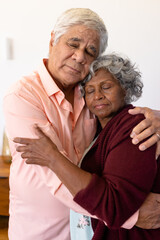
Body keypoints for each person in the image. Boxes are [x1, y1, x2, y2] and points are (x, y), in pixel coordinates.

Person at [3, 8, 160, 240]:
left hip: (89, 230)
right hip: (41, 231)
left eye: (90, 51)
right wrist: (127, 215)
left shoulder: (89, 96)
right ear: (53, 40)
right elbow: (52, 173)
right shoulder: (23, 96)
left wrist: (156, 117)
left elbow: (120, 124)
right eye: (73, 44)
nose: (79, 56)